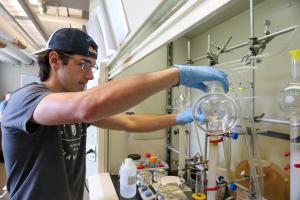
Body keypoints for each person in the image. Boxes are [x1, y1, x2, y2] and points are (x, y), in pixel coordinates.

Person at [1, 28, 229, 200]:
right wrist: (177, 74)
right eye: (83, 65)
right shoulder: (26, 98)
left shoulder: (72, 105)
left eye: (92, 66)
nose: (89, 75)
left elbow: (130, 122)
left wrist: (181, 117)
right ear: (54, 60)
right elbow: (87, 106)